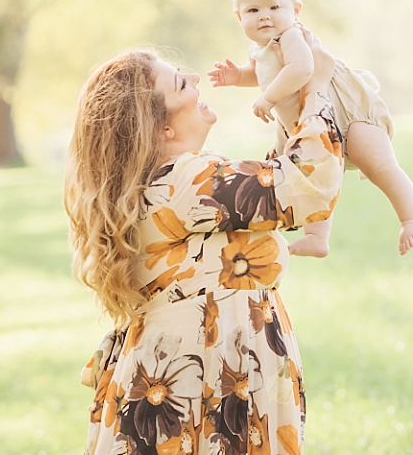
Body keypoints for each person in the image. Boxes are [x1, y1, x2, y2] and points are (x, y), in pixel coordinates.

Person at [64, 30, 341, 455]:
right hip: (205, 379)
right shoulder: (184, 180)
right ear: (163, 128)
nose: (195, 78)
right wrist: (316, 92)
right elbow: (306, 184)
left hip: (200, 371)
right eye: (179, 83)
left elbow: (270, 184)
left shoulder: (169, 183)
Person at [208, 0, 413, 256]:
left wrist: (267, 99)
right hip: (307, 123)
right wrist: (237, 76)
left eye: (274, 7)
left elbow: (302, 69)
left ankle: (411, 219)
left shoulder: (290, 37)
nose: (265, 16)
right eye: (253, 10)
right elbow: (261, 73)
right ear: (239, 16)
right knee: (312, 181)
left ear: (296, 10)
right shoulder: (258, 50)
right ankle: (317, 238)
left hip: (345, 114)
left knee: (379, 165)